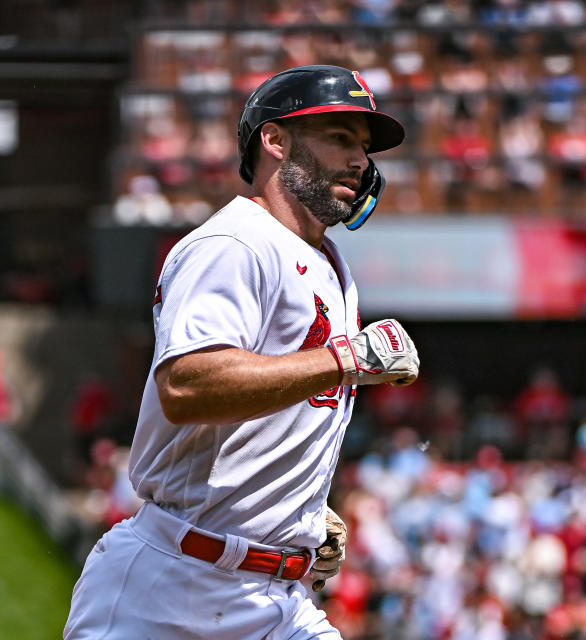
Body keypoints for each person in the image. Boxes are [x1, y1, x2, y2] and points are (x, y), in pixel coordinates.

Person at [64, 65, 420, 639]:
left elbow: (274, 419)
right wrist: (346, 359)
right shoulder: (235, 244)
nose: (360, 160)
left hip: (276, 595)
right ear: (274, 141)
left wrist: (293, 521)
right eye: (338, 137)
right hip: (172, 592)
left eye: (363, 145)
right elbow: (186, 387)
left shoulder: (329, 264)